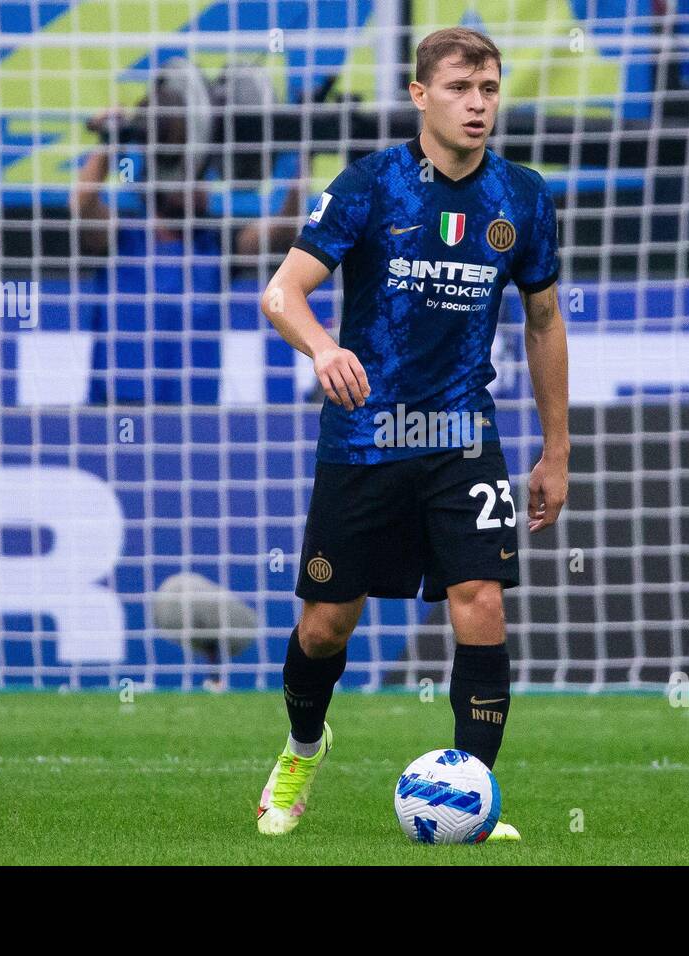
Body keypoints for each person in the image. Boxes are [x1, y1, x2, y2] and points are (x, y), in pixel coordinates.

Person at [254, 27, 569, 841]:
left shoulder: (524, 197)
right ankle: (301, 749)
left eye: (490, 89)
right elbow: (283, 293)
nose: (478, 104)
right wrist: (325, 347)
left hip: (464, 436)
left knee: (481, 604)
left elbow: (543, 321)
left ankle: (475, 795)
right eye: (462, 87)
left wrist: (557, 450)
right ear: (421, 93)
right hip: (364, 439)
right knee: (327, 622)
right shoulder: (371, 186)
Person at [71, 59, 304, 404]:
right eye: (193, 179)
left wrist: (303, 152)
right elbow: (83, 203)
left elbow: (284, 231)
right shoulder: (121, 239)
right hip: (114, 416)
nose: (203, 189)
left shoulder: (216, 247)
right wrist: (109, 141)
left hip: (194, 427)